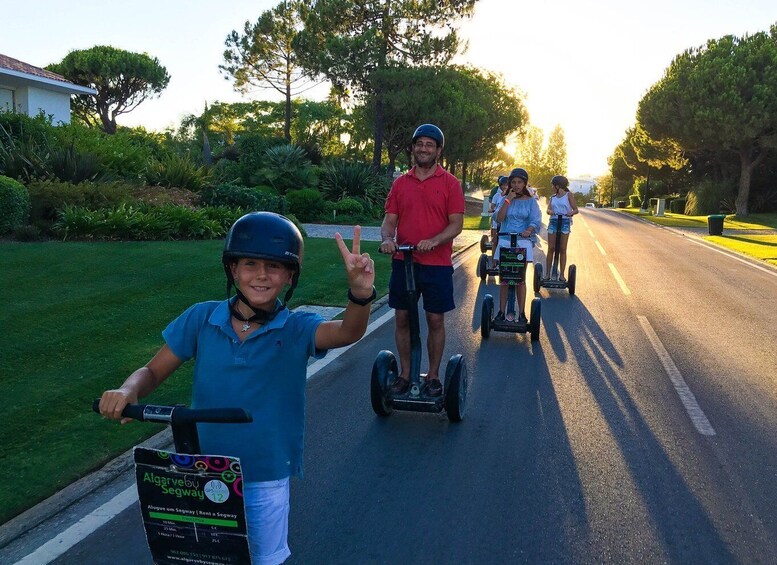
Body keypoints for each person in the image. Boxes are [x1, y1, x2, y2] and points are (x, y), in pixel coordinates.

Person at [98, 212, 375, 565]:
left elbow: (347, 332)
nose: (261, 275)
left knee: (261, 559)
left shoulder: (296, 329)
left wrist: (361, 293)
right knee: (196, 555)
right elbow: (152, 371)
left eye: (274, 266)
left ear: (290, 276)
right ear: (232, 270)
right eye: (250, 264)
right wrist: (127, 389)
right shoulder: (201, 318)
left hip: (263, 474)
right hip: (202, 471)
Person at [379, 123, 465, 397]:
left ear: (438, 150)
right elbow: (389, 220)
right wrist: (387, 239)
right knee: (402, 318)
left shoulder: (450, 183)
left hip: (436, 264)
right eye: (419, 144)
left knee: (435, 319)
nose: (423, 149)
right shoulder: (401, 183)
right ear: (413, 148)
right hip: (404, 262)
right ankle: (405, 374)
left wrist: (435, 241)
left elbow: (456, 225)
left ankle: (434, 376)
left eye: (430, 144)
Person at [493, 167, 542, 323]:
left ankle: (521, 313)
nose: (516, 185)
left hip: (523, 240)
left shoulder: (531, 202)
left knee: (520, 279)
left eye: (520, 182)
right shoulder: (504, 199)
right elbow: (498, 219)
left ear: (525, 183)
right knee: (505, 279)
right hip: (506, 239)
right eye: (513, 182)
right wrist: (508, 200)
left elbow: (535, 219)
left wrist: (529, 229)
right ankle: (501, 312)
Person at [545, 175, 579, 281]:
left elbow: (576, 209)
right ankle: (547, 274)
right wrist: (551, 212)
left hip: (565, 222)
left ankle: (562, 275)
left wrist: (570, 213)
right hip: (554, 221)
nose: (551, 187)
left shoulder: (568, 195)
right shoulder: (553, 197)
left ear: (558, 186)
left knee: (562, 249)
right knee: (551, 248)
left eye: (553, 185)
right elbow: (548, 210)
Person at [489, 175, 509, 251]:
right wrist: (491, 209)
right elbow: (492, 206)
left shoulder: (511, 196)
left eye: (507, 185)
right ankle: (494, 261)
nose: (505, 187)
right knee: (495, 241)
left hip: (506, 220)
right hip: (497, 220)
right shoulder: (496, 196)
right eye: (503, 185)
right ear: (500, 186)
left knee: (506, 241)